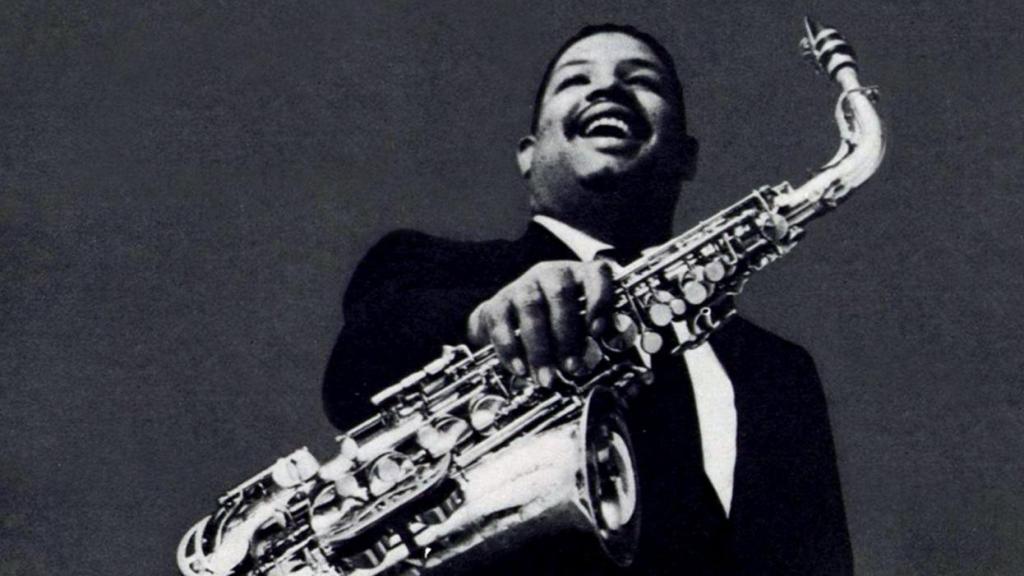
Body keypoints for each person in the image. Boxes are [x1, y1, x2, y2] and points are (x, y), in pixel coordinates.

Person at [323, 23, 852, 575]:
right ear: (528, 154)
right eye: (576, 80)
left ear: (686, 155)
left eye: (641, 81)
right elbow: (356, 369)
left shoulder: (779, 371)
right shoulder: (423, 266)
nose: (608, 89)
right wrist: (485, 320)